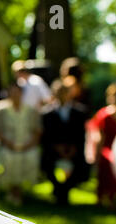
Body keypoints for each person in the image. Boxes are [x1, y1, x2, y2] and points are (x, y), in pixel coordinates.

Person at [0, 82, 42, 206]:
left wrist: (28, 145)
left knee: (30, 156)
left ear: (22, 94)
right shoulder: (0, 108)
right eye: (12, 92)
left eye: (17, 92)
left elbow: (37, 131)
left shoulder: (30, 110)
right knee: (9, 158)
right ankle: (12, 191)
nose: (15, 95)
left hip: (27, 145)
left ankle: (19, 191)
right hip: (7, 145)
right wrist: (8, 143)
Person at [41, 76, 90, 205]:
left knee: (82, 166)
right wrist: (58, 148)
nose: (62, 94)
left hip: (74, 150)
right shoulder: (46, 113)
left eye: (65, 91)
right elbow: (47, 136)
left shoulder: (80, 112)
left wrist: (72, 149)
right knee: (46, 163)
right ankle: (60, 191)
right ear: (55, 93)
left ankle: (62, 191)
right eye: (59, 91)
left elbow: (81, 134)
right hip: (53, 150)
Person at [86, 84, 116, 208]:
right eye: (112, 96)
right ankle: (106, 197)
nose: (114, 99)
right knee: (109, 159)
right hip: (109, 150)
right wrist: (96, 155)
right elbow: (99, 138)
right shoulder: (104, 115)